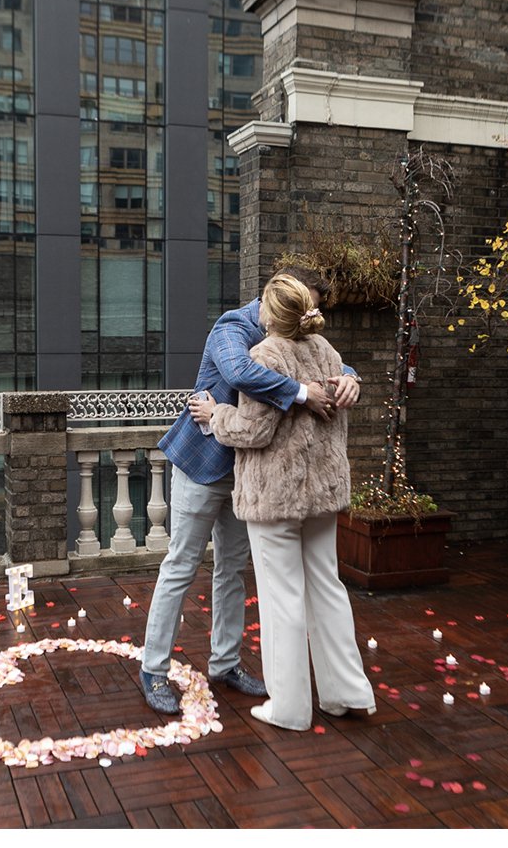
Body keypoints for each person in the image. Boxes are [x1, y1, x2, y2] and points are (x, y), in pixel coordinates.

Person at [137, 266, 360, 715]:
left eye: (312, 308)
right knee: (181, 565)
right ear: (278, 297)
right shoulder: (232, 327)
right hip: (202, 467)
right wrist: (301, 393)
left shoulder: (290, 336)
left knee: (232, 571)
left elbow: (319, 357)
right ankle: (153, 669)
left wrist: (351, 375)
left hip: (247, 478)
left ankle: (225, 664)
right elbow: (241, 372)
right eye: (303, 305)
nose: (308, 316)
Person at [189, 273, 378, 731]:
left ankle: (289, 707)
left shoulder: (266, 354)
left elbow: (253, 432)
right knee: (328, 589)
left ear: (272, 313)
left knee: (283, 598)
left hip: (276, 496)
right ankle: (346, 693)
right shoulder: (328, 353)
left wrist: (216, 415)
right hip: (322, 492)